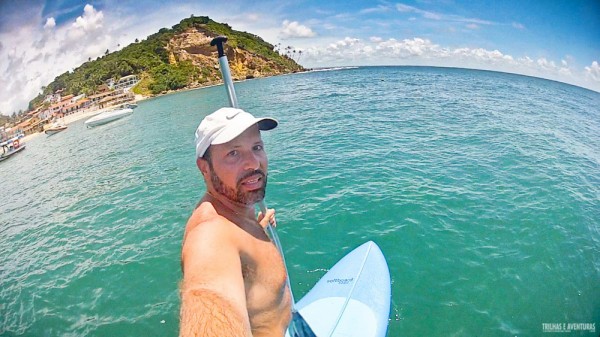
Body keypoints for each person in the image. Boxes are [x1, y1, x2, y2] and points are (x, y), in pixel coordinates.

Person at [180, 107, 292, 337]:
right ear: (204, 167)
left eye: (257, 147)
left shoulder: (235, 213)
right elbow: (209, 291)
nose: (253, 163)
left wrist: (257, 230)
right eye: (233, 153)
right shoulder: (209, 237)